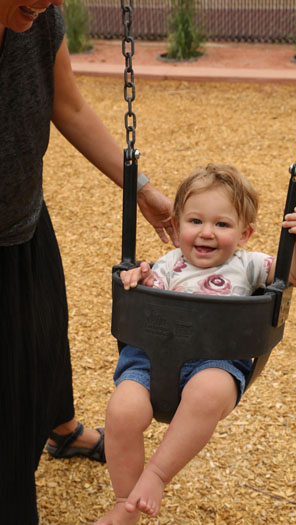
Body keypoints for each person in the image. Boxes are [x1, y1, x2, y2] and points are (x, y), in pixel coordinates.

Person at [0, 2, 177, 524]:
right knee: (10, 400)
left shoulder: (39, 17)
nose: (47, 0)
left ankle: (61, 427)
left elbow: (69, 105)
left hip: (24, 215)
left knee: (46, 325)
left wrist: (141, 190)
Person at [95, 163, 296, 525]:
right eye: (195, 221)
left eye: (222, 224)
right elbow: (148, 290)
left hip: (215, 362)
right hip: (154, 361)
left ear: (245, 234)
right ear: (177, 224)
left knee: (207, 391)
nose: (206, 233)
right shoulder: (168, 265)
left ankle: (156, 476)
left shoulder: (249, 265)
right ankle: (125, 503)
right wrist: (139, 279)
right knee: (122, 411)